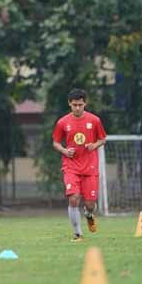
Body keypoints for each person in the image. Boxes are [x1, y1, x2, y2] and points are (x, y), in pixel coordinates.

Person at [52, 88, 107, 242]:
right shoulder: (62, 122)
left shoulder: (94, 120)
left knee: (90, 204)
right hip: (71, 166)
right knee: (74, 198)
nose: (77, 107)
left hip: (90, 168)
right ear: (69, 103)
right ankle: (78, 234)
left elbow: (103, 139)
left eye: (80, 105)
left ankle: (89, 215)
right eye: (75, 104)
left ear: (85, 103)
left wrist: (94, 145)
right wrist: (64, 150)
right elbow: (55, 142)